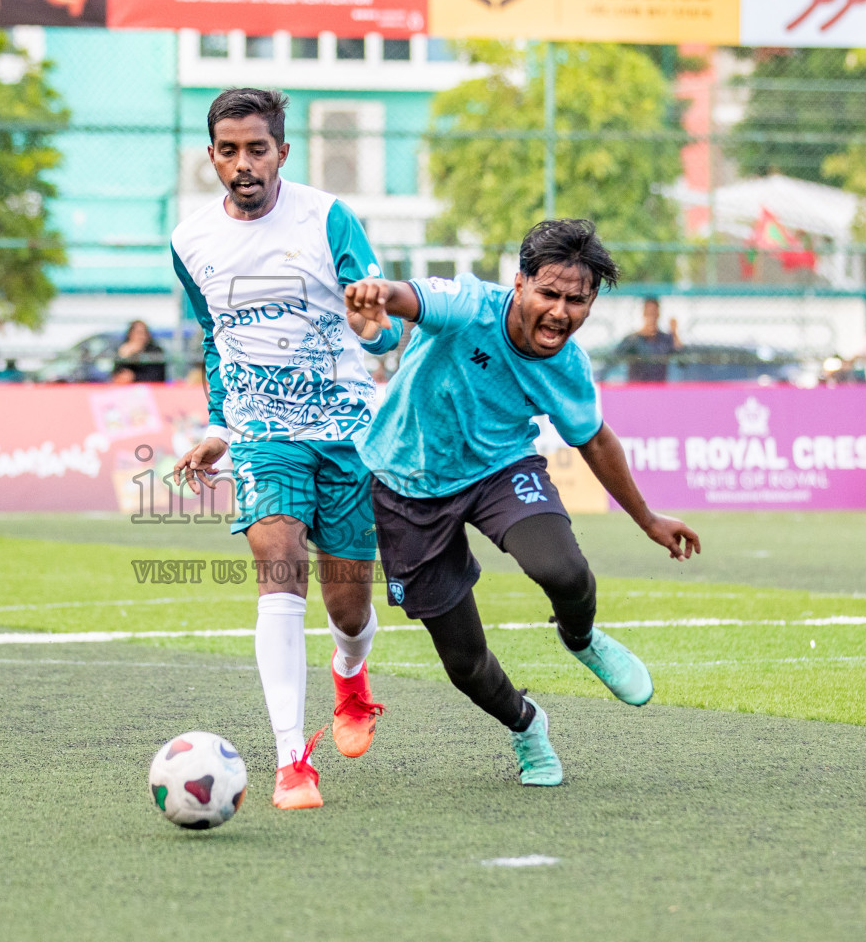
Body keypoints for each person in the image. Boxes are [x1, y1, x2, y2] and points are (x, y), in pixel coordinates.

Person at [344, 218, 699, 787]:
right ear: (519, 283)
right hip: (405, 482)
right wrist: (377, 294)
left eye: (577, 301)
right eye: (549, 293)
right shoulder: (468, 304)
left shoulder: (567, 366)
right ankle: (527, 724)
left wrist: (648, 518)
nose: (561, 312)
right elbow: (409, 297)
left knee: (562, 568)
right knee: (464, 663)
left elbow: (596, 439)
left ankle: (580, 637)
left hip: (499, 469)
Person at [172, 88, 403, 810]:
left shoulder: (327, 218)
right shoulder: (190, 241)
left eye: (257, 149)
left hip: (345, 434)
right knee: (280, 570)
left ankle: (351, 676)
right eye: (228, 150)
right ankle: (290, 760)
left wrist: (375, 331)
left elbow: (387, 326)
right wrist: (220, 428)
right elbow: (215, 339)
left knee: (347, 604)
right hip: (262, 439)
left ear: (282, 153)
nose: (243, 164)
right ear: (211, 155)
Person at [615, 296, 680, 382]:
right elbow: (616, 356)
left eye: (654, 313)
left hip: (658, 387)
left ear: (658, 315)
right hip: (638, 387)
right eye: (649, 314)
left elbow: (682, 360)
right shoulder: (634, 339)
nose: (651, 317)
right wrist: (641, 333)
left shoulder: (664, 339)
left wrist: (674, 333)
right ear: (644, 314)